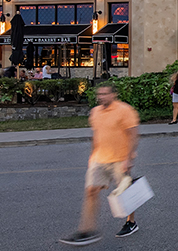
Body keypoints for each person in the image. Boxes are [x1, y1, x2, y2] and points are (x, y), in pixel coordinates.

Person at [59, 84, 139, 245]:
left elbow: (133, 135)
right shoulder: (95, 112)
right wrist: (91, 156)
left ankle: (131, 222)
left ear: (114, 95)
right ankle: (86, 230)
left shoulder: (125, 110)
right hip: (99, 159)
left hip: (119, 159)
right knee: (91, 191)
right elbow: (96, 136)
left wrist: (129, 159)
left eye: (105, 94)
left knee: (125, 194)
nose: (101, 97)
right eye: (99, 94)